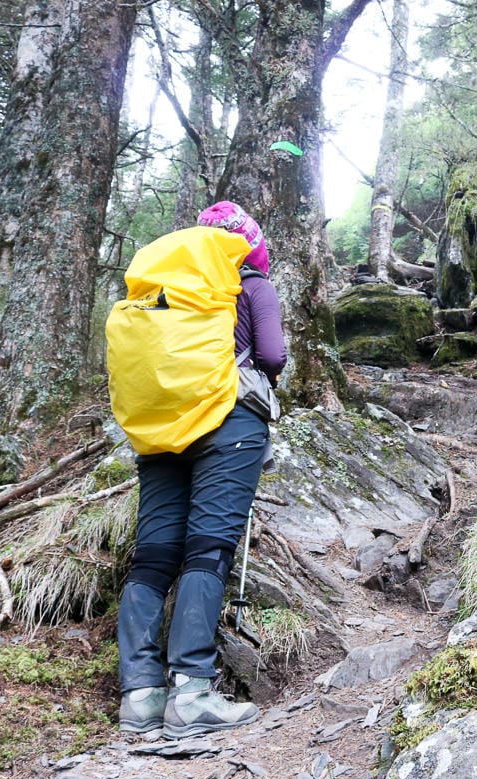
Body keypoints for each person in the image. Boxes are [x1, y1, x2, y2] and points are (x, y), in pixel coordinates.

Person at [117, 201, 287, 738]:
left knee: (153, 555)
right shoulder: (250, 282)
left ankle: (140, 697)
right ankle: (191, 693)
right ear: (248, 244)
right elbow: (274, 354)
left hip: (160, 427)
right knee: (208, 547)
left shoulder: (162, 287)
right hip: (229, 423)